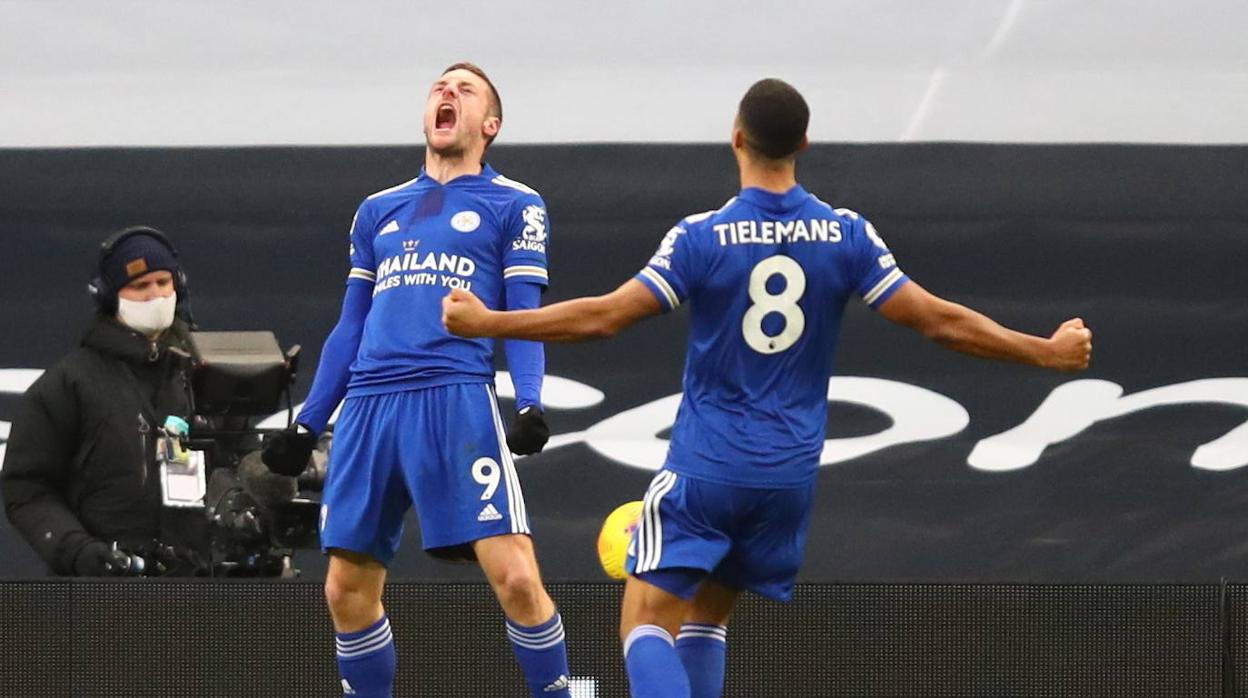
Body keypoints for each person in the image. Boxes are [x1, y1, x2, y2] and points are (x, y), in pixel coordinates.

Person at [442, 78, 1093, 698]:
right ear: (803, 146)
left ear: (736, 138)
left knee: (643, 622)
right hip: (786, 479)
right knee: (705, 620)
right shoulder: (847, 235)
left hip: (708, 466)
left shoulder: (702, 236)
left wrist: (490, 320)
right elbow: (942, 323)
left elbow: (605, 316)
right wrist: (1046, 351)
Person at [261, 62, 570, 698]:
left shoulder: (515, 204)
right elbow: (351, 326)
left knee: (513, 577)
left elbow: (524, 312)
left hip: (454, 395)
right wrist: (308, 421)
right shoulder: (378, 210)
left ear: (491, 124)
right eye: (439, 87)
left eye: (465, 89)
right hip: (370, 407)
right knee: (345, 590)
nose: (446, 93)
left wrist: (531, 401)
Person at [2, 226, 201, 577]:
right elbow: (27, 486)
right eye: (140, 286)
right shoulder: (69, 383)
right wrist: (79, 552)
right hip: (103, 589)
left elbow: (243, 466)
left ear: (178, 286)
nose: (155, 295)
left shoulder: (207, 372)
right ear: (110, 297)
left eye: (163, 282)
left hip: (206, 584)